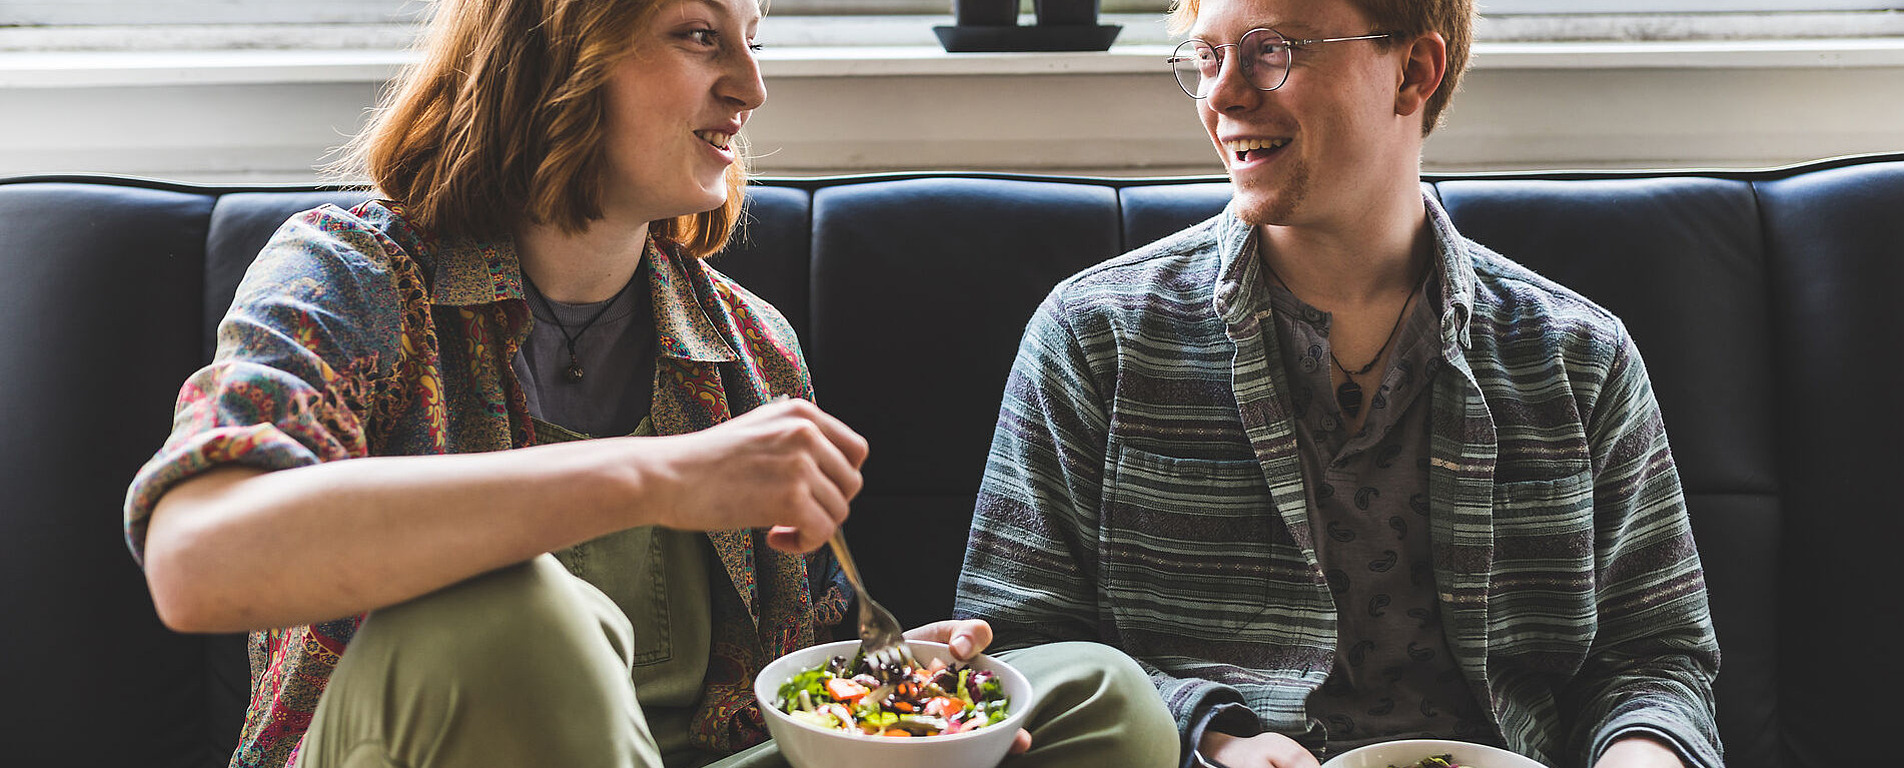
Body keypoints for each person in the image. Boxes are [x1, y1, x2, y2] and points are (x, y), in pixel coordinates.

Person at [122, 0, 1178, 766]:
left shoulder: (746, 347)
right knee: (517, 618)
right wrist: (651, 476)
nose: (751, 89)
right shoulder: (357, 273)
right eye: (699, 35)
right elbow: (195, 561)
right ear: (556, 48)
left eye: (754, 43)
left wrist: (884, 696)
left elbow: (779, 676)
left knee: (1100, 699)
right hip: (403, 744)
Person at [952, 0, 1722, 767]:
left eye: (1270, 51)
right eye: (1207, 57)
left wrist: (1643, 753)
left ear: (1414, 71)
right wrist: (1213, 736)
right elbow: (1015, 646)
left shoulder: (1579, 358)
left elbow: (1656, 658)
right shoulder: (1095, 338)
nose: (1222, 96)